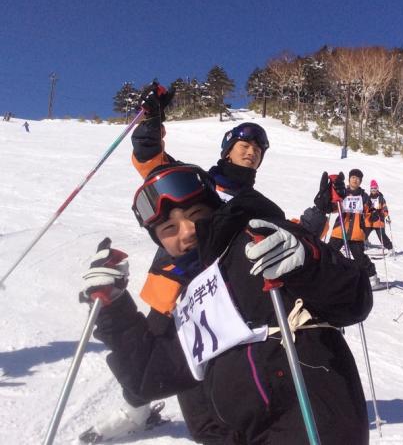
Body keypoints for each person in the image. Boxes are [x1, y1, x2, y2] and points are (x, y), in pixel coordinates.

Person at [80, 164, 372, 444]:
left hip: (312, 422)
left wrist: (309, 263)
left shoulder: (258, 240)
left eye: (195, 214)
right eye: (169, 228)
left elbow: (354, 299)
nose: (186, 231)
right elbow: (150, 376)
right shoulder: (194, 294)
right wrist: (112, 307)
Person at [328, 168, 380, 290]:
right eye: (353, 177)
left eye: (358, 178)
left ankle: (372, 278)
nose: (355, 180)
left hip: (356, 231)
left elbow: (369, 210)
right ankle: (330, 276)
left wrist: (373, 214)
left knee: (360, 257)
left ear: (360, 181)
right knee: (329, 252)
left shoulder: (364, 196)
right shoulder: (342, 192)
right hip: (340, 229)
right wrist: (330, 204)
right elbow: (334, 207)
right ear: (349, 179)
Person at [364, 179, 393, 251]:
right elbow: (365, 208)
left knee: (382, 236)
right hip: (369, 220)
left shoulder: (381, 198)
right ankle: (364, 243)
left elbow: (385, 208)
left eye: (375, 188)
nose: (373, 190)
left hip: (378, 220)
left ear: (377, 189)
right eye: (372, 188)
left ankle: (390, 248)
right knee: (363, 234)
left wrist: (386, 215)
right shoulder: (368, 198)